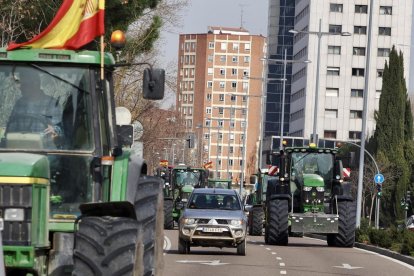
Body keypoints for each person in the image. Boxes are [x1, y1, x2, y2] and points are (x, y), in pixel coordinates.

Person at [6, 72, 63, 144]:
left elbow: (59, 129)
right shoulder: (19, 103)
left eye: (24, 84)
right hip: (19, 147)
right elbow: (10, 128)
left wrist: (54, 130)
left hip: (46, 149)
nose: (21, 87)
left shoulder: (52, 104)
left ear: (35, 84)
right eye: (21, 84)